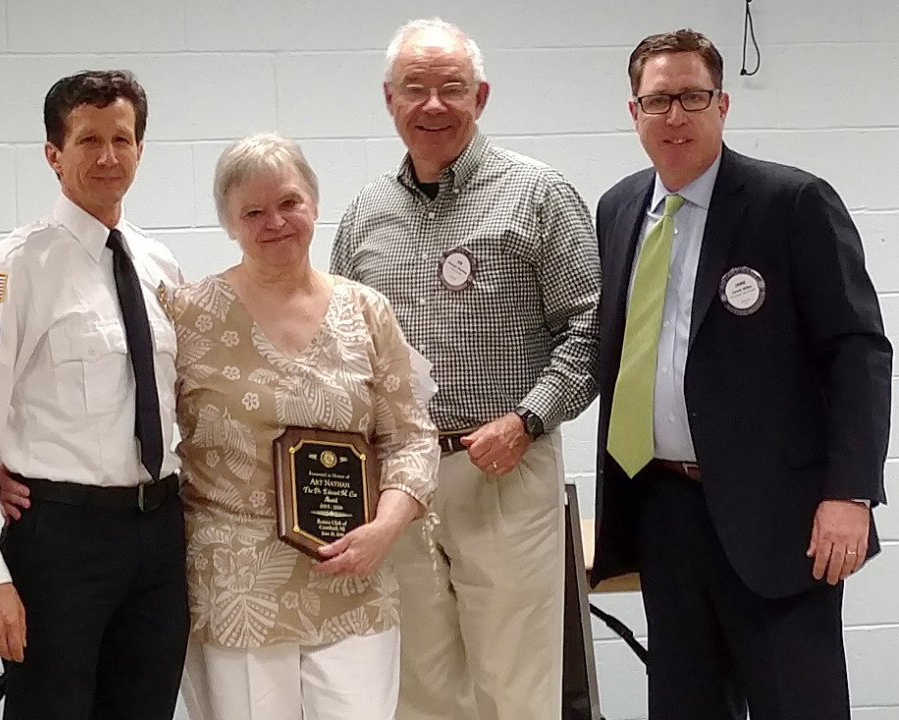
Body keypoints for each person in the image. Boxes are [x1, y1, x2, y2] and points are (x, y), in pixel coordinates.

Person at [592, 28, 891, 720]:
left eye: (692, 97)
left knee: (797, 704)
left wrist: (850, 490)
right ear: (632, 112)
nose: (675, 116)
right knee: (684, 704)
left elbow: (859, 351)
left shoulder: (791, 203)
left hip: (779, 519)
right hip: (666, 510)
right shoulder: (617, 208)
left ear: (723, 105)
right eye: (658, 100)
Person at [330, 18, 601, 720]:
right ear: (388, 100)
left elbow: (593, 328)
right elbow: (339, 349)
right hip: (401, 486)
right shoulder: (365, 215)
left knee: (516, 686)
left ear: (480, 96)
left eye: (451, 88)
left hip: (505, 467)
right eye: (414, 89)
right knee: (419, 689)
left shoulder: (539, 195)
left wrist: (527, 419)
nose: (433, 105)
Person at [0, 70, 188, 720]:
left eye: (122, 138)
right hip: (61, 544)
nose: (108, 157)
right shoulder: (14, 268)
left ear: (140, 148)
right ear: (54, 154)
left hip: (160, 535)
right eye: (88, 140)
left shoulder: (161, 267)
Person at [168, 133, 439, 720]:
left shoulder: (367, 311)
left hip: (352, 572)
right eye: (253, 211)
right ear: (230, 224)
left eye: (289, 202)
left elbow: (410, 435)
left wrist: (385, 528)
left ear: (314, 204)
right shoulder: (186, 314)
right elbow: (124, 415)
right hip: (236, 581)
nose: (275, 222)